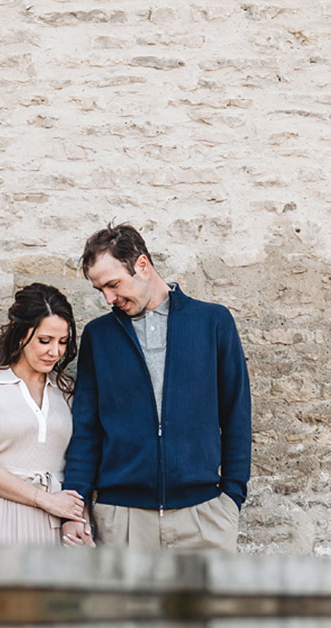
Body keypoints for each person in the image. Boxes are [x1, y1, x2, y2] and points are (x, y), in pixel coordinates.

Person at [60, 224, 252, 552]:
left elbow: (236, 414)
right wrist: (75, 510)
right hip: (122, 520)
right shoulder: (98, 336)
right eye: (100, 290)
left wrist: (231, 497)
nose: (109, 298)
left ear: (143, 265)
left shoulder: (212, 322)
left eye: (114, 284)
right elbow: (87, 429)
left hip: (204, 516)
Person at [0, 283, 88, 544]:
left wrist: (75, 515)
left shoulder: (67, 391)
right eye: (44, 340)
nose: (55, 352)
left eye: (63, 342)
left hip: (53, 521)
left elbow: (82, 457)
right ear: (21, 335)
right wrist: (45, 500)